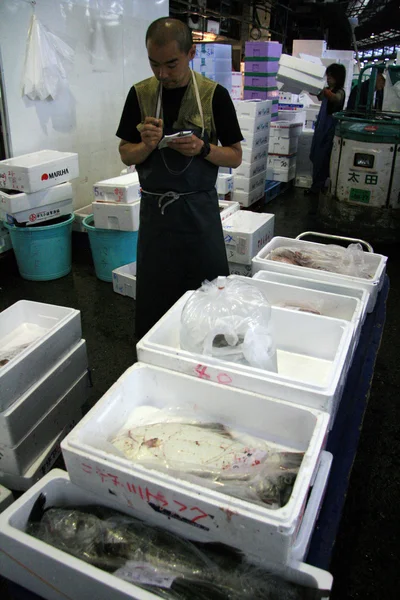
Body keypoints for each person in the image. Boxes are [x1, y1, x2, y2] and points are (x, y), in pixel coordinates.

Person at [116, 18, 243, 340]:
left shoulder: (214, 96)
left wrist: (202, 149)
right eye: (154, 65)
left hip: (199, 214)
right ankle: (156, 354)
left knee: (209, 294)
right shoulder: (140, 95)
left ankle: (211, 358)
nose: (163, 74)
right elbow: (125, 155)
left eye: (171, 64)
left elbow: (235, 156)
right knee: (156, 296)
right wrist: (145, 144)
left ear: (191, 53)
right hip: (156, 215)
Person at [307, 63, 346, 198]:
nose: (328, 78)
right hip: (321, 128)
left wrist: (323, 91)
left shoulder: (339, 92)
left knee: (323, 159)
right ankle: (317, 186)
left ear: (337, 77)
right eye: (327, 76)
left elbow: (334, 98)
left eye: (330, 76)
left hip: (329, 130)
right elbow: (318, 95)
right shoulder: (327, 90)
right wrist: (310, 86)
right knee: (315, 156)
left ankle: (319, 187)